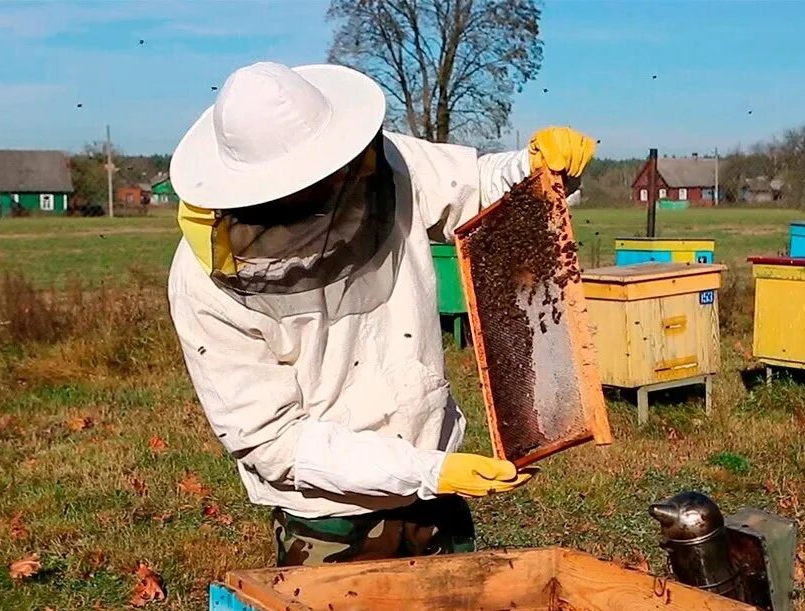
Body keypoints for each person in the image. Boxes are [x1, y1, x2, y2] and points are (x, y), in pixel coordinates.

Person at [167, 61, 595, 566]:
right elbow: (275, 441)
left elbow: (476, 187)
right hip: (329, 515)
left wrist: (534, 169)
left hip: (434, 492)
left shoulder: (385, 164)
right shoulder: (201, 284)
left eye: (333, 175)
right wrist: (428, 471)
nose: (331, 193)